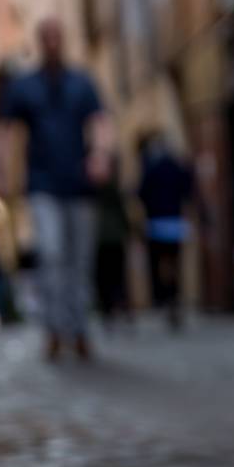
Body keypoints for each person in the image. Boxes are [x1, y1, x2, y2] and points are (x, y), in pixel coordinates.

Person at [0, 18, 113, 360]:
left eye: (56, 37)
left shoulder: (82, 82)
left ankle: (79, 328)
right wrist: (2, 174)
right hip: (42, 185)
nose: (51, 43)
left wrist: (100, 156)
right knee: (51, 254)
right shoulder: (25, 86)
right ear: (39, 42)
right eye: (46, 37)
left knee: (79, 259)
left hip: (79, 186)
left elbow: (100, 121)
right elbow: (5, 130)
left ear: (63, 41)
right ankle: (54, 328)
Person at [138, 133, 195, 327]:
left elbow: (142, 192)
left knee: (161, 262)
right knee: (174, 261)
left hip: (157, 221)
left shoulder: (151, 168)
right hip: (175, 220)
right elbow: (188, 188)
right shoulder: (176, 166)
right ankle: (175, 295)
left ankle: (166, 296)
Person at [94, 170, 132, 323]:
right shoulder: (113, 189)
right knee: (117, 275)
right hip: (113, 237)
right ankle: (120, 305)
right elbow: (122, 213)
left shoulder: (93, 190)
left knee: (105, 276)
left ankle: (108, 308)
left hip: (102, 237)